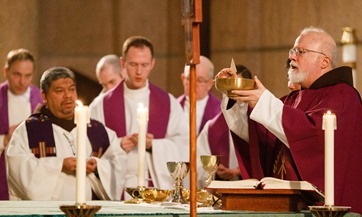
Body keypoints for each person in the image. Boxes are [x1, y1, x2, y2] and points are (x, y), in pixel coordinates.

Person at [216, 27, 362, 217]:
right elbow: (260, 139)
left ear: (324, 61)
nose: (291, 56)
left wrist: (264, 101)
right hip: (287, 209)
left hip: (325, 214)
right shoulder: (293, 99)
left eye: (300, 51)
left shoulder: (343, 96)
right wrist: (234, 98)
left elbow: (312, 136)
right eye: (292, 50)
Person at [6, 67, 127, 200]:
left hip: (90, 213)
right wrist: (60, 165)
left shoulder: (97, 130)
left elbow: (119, 160)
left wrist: (97, 166)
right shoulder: (28, 130)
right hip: (49, 215)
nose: (68, 95)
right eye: (59, 91)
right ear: (44, 96)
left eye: (71, 89)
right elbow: (18, 167)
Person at [90, 36, 189, 196]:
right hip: (117, 188)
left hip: (155, 187)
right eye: (133, 64)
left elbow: (184, 145)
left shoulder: (168, 103)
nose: (139, 71)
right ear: (122, 63)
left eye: (144, 65)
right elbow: (90, 150)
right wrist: (118, 146)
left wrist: (154, 145)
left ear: (152, 64)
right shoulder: (100, 105)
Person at [196, 65, 252, 188]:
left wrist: (241, 171)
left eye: (237, 88)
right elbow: (197, 167)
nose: (232, 95)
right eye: (228, 89)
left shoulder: (257, 121)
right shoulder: (211, 128)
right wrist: (213, 171)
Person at [0, 48, 43, 200]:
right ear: (6, 71)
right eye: (17, 74)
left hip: (31, 172)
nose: (22, 81)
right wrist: (4, 139)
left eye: (28, 76)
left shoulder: (41, 99)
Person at [177, 55, 221, 135]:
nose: (193, 84)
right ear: (183, 78)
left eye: (200, 80)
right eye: (189, 78)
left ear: (210, 84)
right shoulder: (172, 107)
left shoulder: (220, 112)